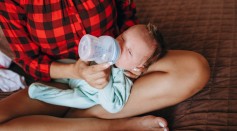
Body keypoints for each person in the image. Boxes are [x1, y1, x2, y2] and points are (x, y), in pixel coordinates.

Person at [0, 0, 210, 130]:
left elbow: (127, 18)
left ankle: (84, 115)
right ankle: (114, 125)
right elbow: (29, 60)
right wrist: (76, 71)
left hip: (116, 67)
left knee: (195, 68)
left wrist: (133, 62)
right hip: (61, 78)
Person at [28, 24, 164, 114]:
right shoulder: (106, 51)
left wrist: (105, 83)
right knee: (63, 63)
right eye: (122, 37)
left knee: (72, 100)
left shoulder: (124, 80)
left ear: (137, 67)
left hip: (87, 95)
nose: (119, 44)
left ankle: (40, 92)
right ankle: (46, 77)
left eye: (129, 51)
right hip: (78, 73)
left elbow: (113, 106)